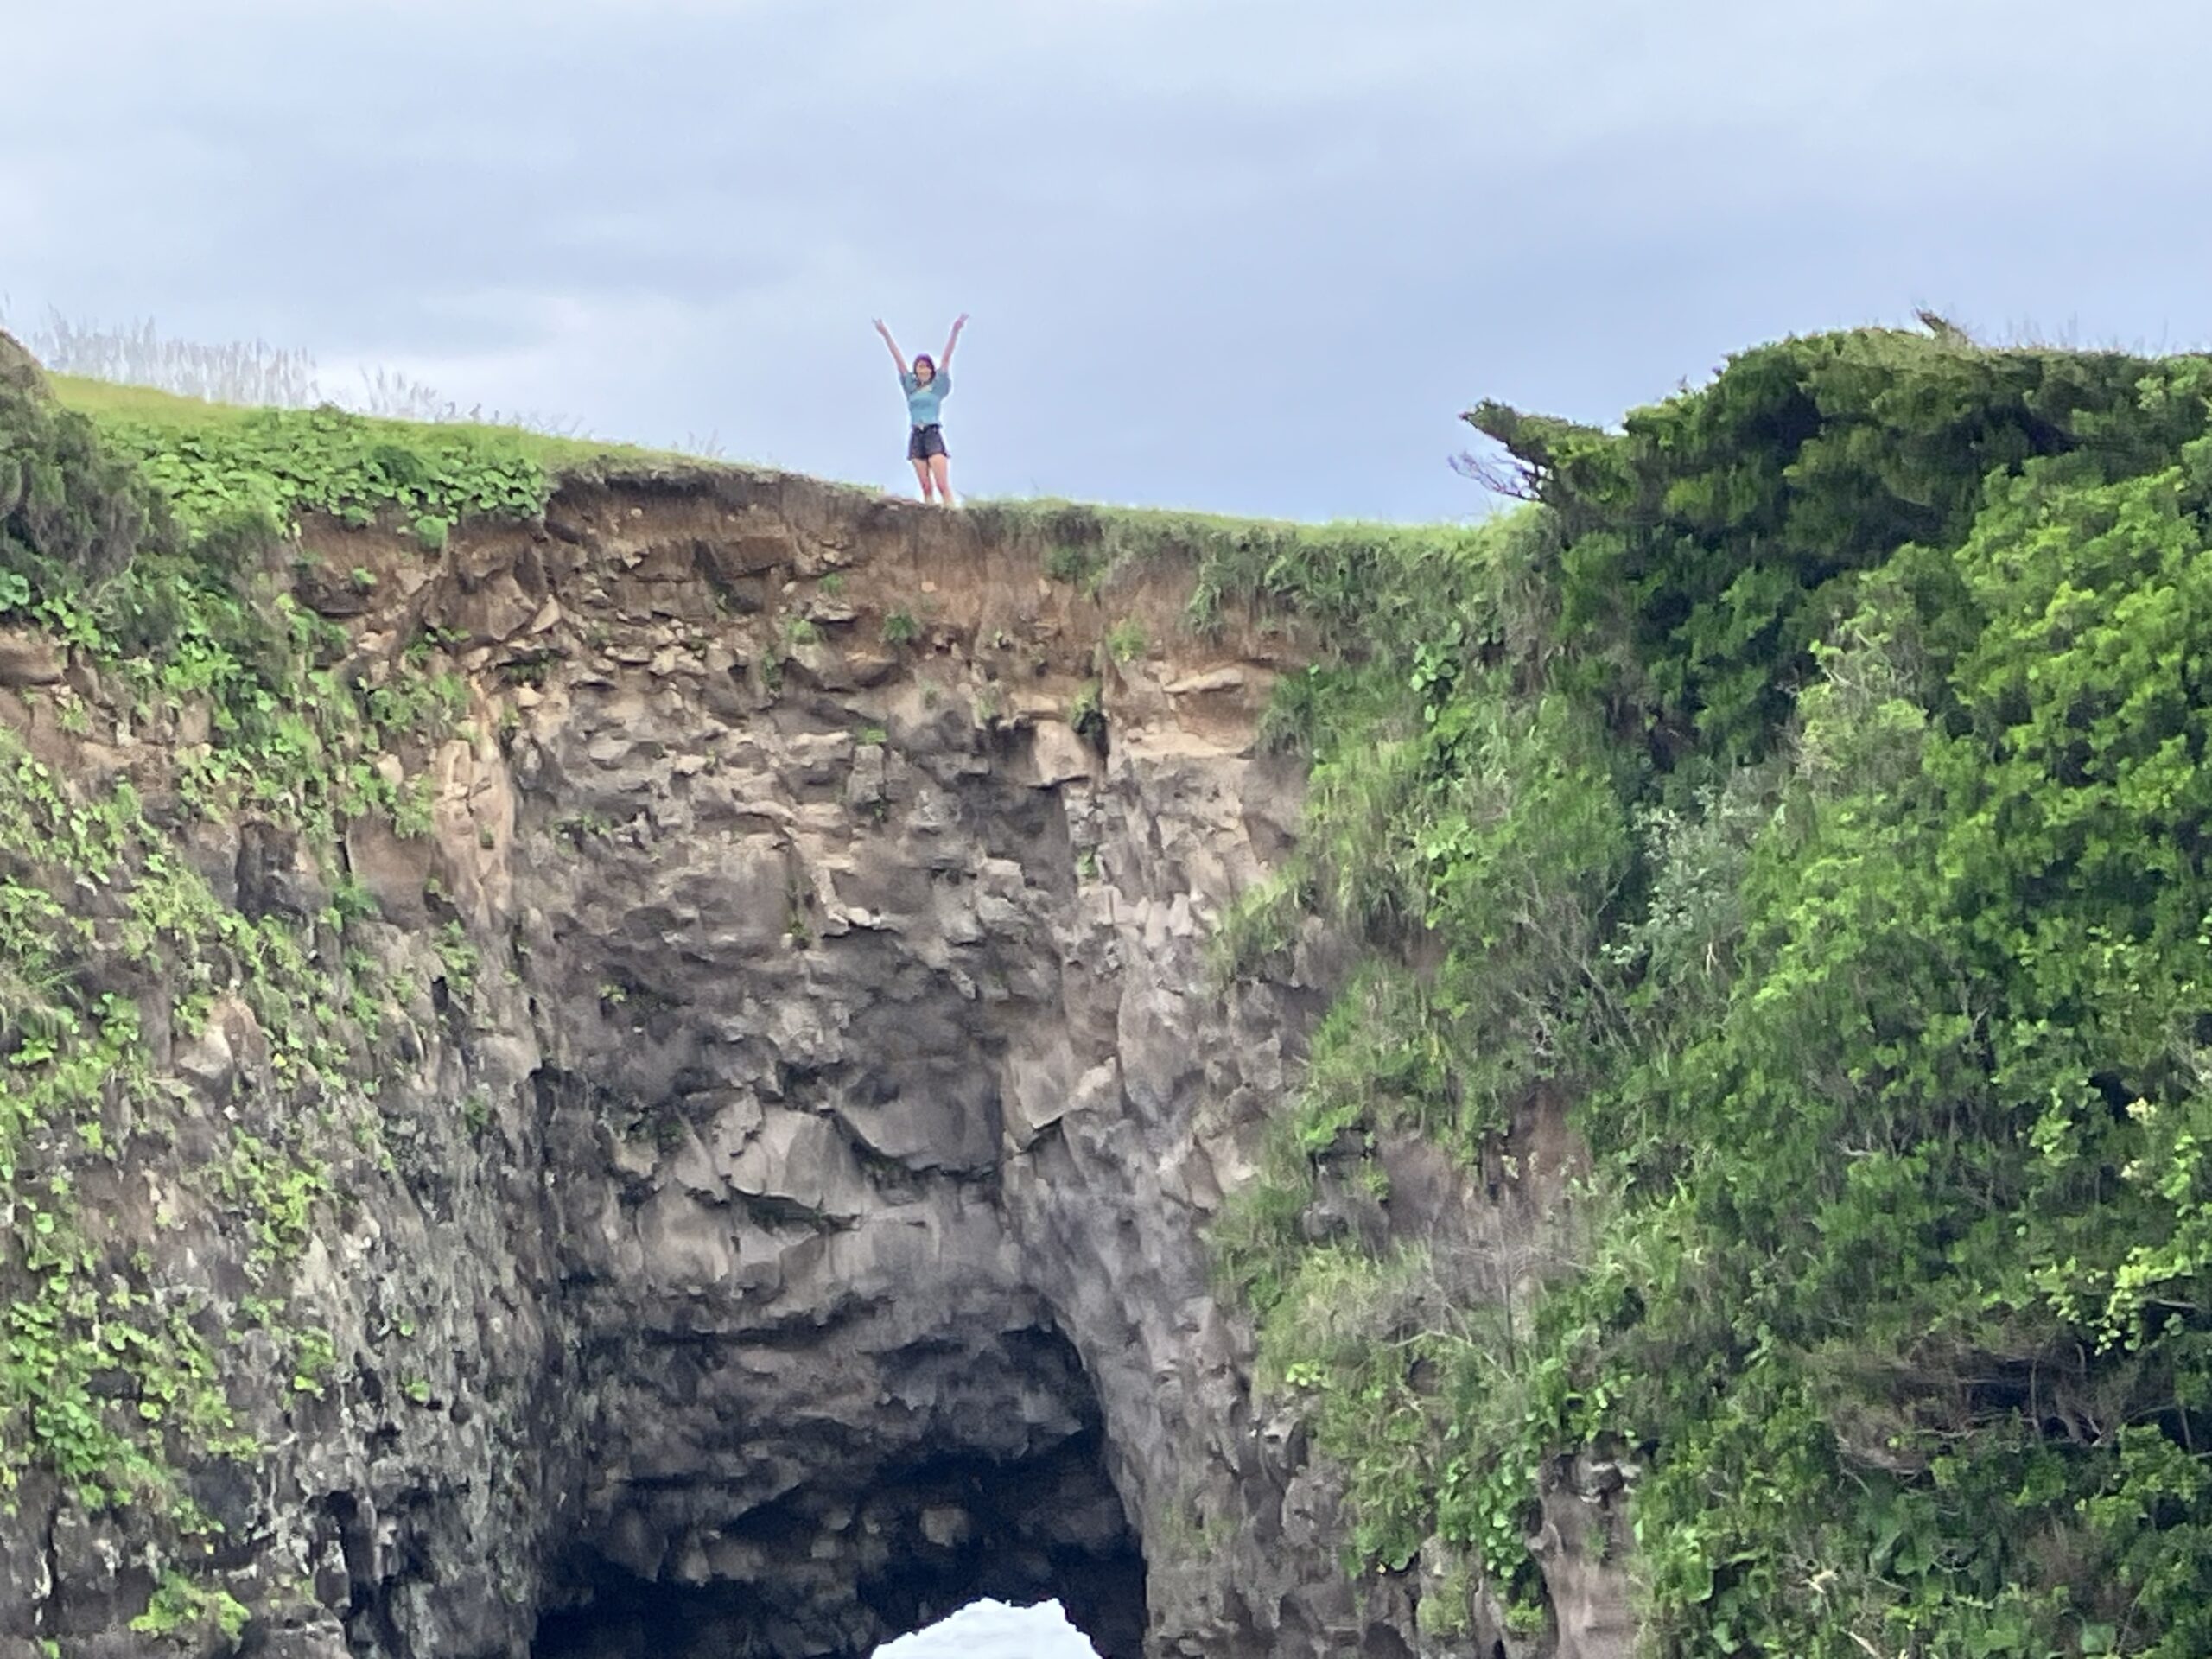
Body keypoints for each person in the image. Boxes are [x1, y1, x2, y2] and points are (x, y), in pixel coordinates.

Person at [873, 315, 967, 505]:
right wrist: (886, 335)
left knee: (942, 484)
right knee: (925, 486)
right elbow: (898, 361)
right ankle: (929, 517)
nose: (923, 370)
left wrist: (955, 331)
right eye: (919, 367)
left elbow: (947, 358)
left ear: (931, 370)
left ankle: (951, 516)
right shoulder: (911, 388)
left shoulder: (937, 387)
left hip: (932, 431)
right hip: (916, 433)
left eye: (926, 367)